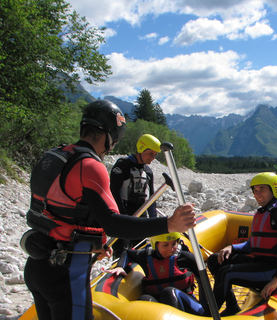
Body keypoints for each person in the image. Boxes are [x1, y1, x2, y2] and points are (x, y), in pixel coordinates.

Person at [20, 99, 196, 320]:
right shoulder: (90, 165)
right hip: (65, 275)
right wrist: (169, 224)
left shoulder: (53, 156)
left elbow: (62, 213)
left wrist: (94, 241)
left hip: (36, 266)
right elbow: (113, 223)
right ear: (109, 136)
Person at [206, 172, 277, 316]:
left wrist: (275, 280)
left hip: (274, 270)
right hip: (259, 262)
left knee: (225, 273)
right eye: (255, 191)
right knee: (215, 260)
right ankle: (232, 306)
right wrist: (231, 247)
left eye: (262, 190)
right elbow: (253, 244)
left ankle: (209, 315)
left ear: (274, 190)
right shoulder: (263, 213)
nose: (257, 194)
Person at [106, 232, 207, 316]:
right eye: (165, 245)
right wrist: (119, 266)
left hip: (187, 308)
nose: (171, 249)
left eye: (174, 244)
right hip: (159, 309)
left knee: (169, 293)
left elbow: (203, 282)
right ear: (155, 244)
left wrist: (206, 310)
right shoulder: (145, 256)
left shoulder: (186, 257)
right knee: (144, 300)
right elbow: (126, 253)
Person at [110, 134, 160, 258]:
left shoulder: (148, 172)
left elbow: (151, 197)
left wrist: (153, 220)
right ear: (141, 149)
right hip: (123, 214)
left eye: (155, 154)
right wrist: (121, 215)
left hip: (141, 215)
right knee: (121, 252)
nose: (153, 158)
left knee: (141, 251)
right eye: (150, 153)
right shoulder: (122, 165)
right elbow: (113, 191)